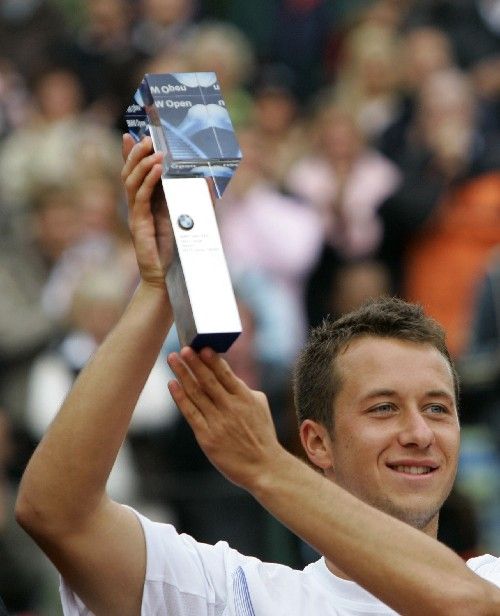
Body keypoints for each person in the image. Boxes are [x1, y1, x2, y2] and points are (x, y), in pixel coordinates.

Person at [15, 135, 500, 616]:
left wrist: (267, 466)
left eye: (437, 408)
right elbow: (56, 514)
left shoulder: (490, 582)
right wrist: (160, 287)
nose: (419, 433)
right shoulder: (237, 594)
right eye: (383, 408)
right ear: (316, 444)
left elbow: (466, 607)